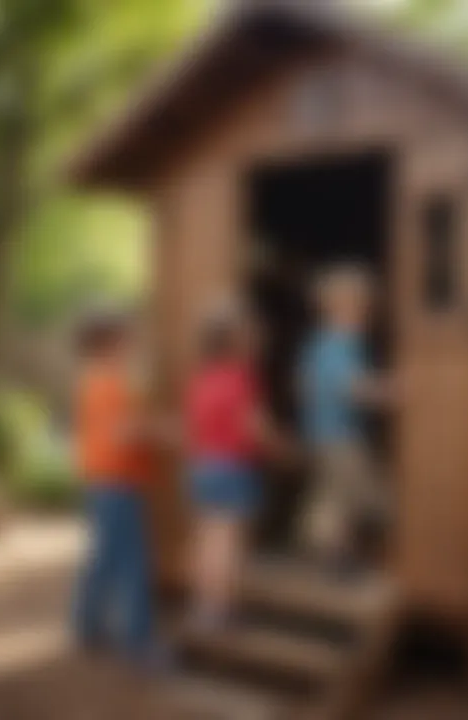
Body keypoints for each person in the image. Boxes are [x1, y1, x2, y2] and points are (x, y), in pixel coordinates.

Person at [186, 300, 287, 631]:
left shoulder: (203, 377)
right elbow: (254, 426)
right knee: (227, 542)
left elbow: (197, 424)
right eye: (253, 336)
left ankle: (205, 606)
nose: (259, 341)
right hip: (233, 468)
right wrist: (279, 447)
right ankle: (221, 609)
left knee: (207, 538)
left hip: (202, 466)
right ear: (236, 342)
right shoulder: (243, 378)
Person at [72, 307, 162, 667]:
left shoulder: (93, 379)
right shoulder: (110, 384)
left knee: (103, 560)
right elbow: (123, 433)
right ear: (111, 343)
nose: (134, 343)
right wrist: (161, 431)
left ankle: (86, 627)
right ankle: (138, 642)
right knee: (132, 564)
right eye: (129, 338)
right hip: (118, 483)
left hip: (102, 481)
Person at [298, 265, 392, 574]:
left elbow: (308, 385)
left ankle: (320, 549)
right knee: (366, 496)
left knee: (332, 494)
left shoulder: (321, 344)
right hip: (340, 435)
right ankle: (335, 555)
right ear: (339, 308)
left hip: (322, 432)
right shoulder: (340, 344)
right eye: (363, 307)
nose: (368, 315)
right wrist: (390, 391)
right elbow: (353, 389)